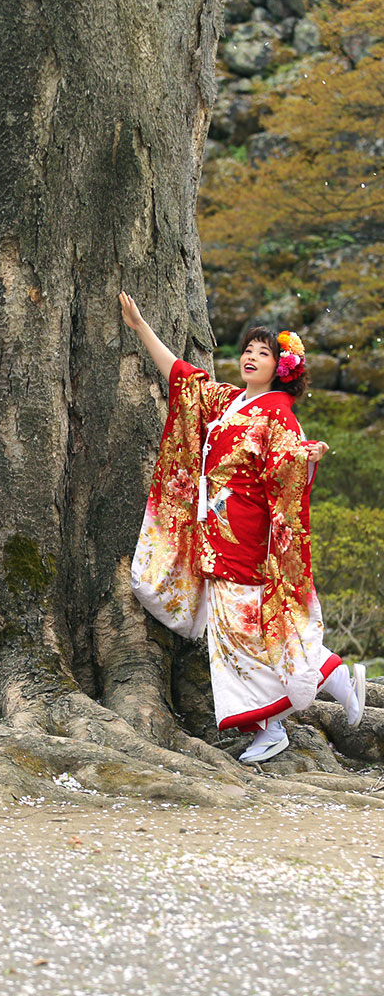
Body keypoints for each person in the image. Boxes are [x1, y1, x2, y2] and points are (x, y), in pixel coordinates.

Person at [119, 291, 365, 763]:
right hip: (217, 532)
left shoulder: (277, 414)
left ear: (281, 369)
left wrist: (306, 457)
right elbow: (182, 377)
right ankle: (302, 701)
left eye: (264, 353)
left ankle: (303, 699)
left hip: (247, 537)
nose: (251, 357)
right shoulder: (229, 402)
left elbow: (287, 464)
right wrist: (140, 327)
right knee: (238, 633)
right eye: (248, 350)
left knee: (245, 631)